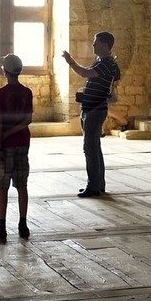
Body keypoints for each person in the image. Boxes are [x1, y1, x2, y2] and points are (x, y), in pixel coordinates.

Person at [62, 30, 120, 197]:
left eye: (96, 42)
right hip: (91, 108)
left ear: (104, 45)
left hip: (95, 110)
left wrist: (70, 61)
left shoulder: (106, 63)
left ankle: (94, 186)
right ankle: (98, 184)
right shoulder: (100, 61)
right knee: (94, 148)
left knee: (90, 149)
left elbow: (83, 73)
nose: (93, 45)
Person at [0, 53, 34, 242]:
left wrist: (0, 144)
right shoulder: (27, 92)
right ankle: (23, 224)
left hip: (5, 146)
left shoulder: (0, 94)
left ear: (5, 71)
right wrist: (15, 131)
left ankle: (2, 226)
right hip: (23, 142)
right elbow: (28, 120)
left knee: (2, 187)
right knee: (22, 185)